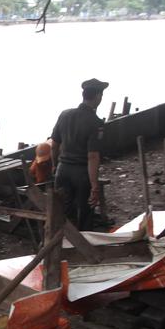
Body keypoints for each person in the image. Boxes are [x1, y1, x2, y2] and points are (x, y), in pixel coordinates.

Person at [49, 79, 108, 231]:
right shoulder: (96, 123)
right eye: (101, 95)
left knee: (62, 211)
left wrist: (55, 165)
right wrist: (95, 186)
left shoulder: (64, 114)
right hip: (82, 173)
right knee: (85, 213)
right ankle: (82, 242)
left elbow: (54, 145)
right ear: (98, 96)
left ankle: (61, 242)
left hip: (62, 170)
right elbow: (92, 156)